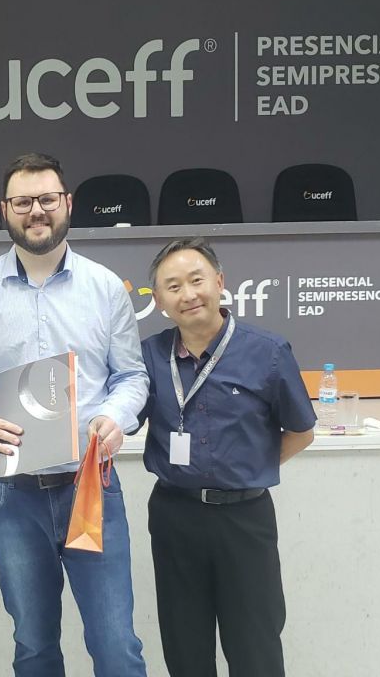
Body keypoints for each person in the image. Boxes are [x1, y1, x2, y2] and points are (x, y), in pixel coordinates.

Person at [0, 152, 148, 676]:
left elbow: (132, 376)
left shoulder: (105, 287)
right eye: (23, 201)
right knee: (33, 646)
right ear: (5, 210)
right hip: (11, 495)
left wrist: (115, 416)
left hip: (89, 486)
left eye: (47, 199)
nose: (37, 211)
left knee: (116, 645)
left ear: (67, 203)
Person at [138, 237, 316, 677]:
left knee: (255, 647)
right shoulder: (149, 356)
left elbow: (301, 431)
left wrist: (249, 468)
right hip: (175, 516)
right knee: (184, 648)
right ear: (159, 301)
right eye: (173, 286)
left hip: (244, 519)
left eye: (196, 280)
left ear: (219, 282)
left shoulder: (267, 351)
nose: (188, 294)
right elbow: (122, 417)